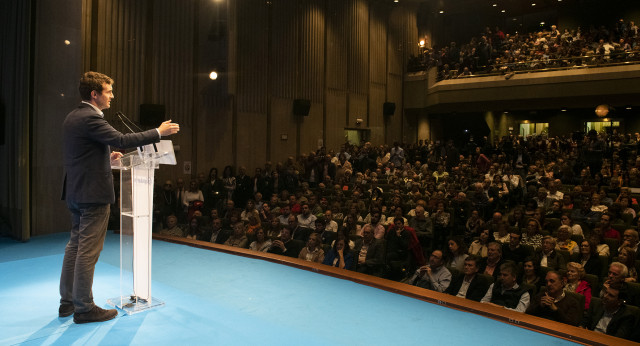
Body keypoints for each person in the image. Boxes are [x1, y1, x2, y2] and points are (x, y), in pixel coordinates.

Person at [59, 71, 179, 323]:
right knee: (87, 252)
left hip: (75, 192)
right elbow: (122, 139)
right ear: (95, 94)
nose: (112, 95)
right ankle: (84, 308)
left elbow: (85, 152)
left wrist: (107, 156)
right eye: (108, 91)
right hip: (92, 195)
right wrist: (158, 131)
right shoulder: (91, 118)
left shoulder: (73, 116)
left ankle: (67, 302)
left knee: (75, 247)